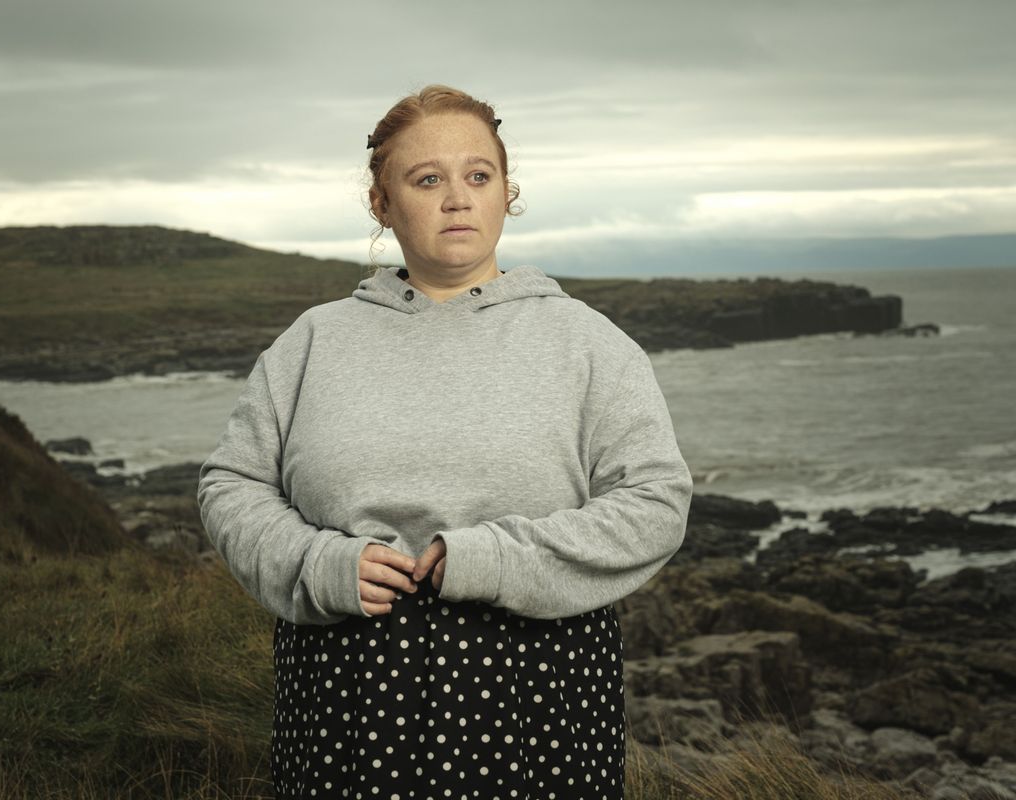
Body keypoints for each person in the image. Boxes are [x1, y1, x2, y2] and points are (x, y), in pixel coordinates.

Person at [196, 84, 693, 800]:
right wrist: (316, 564)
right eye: (428, 179)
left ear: (506, 192)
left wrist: (496, 559)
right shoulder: (314, 342)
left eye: (478, 176)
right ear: (382, 203)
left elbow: (656, 501)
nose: (457, 198)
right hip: (345, 700)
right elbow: (232, 483)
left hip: (540, 702)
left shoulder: (585, 342)